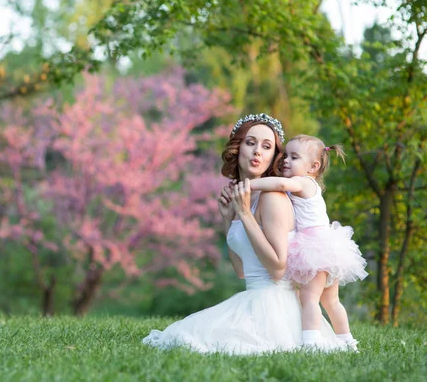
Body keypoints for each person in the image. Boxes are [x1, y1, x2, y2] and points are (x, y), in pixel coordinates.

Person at [142, 114, 348, 355]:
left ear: (275, 156)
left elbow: (277, 269)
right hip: (252, 297)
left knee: (203, 341)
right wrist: (228, 219)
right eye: (251, 143)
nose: (257, 152)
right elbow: (242, 271)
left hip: (275, 307)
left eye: (267, 146)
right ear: (237, 147)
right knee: (186, 335)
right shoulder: (247, 199)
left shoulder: (273, 198)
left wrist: (246, 216)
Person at [248, 134, 368, 350]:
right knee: (331, 302)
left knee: (309, 298)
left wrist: (251, 184)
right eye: (285, 155)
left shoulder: (300, 182)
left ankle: (311, 342)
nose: (285, 160)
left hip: (314, 249)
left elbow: (280, 183)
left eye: (294, 157)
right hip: (327, 249)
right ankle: (348, 341)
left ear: (313, 166)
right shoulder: (310, 184)